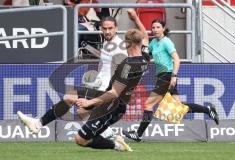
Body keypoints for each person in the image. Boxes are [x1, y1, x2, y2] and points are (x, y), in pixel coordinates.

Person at [17, 8, 149, 151]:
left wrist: (91, 100)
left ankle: (111, 139)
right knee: (71, 99)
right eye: (104, 28)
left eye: (110, 28)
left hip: (110, 97)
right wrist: (135, 18)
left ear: (118, 30)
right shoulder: (142, 55)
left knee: (81, 117)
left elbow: (115, 91)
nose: (107, 31)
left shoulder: (122, 52)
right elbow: (144, 39)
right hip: (106, 92)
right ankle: (37, 124)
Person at [122, 19, 219, 142]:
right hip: (163, 77)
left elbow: (177, 59)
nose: (155, 30)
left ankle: (138, 134)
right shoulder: (154, 43)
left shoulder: (166, 42)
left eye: (158, 27)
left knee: (148, 105)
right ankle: (208, 110)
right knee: (179, 108)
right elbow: (147, 55)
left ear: (163, 29)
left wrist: (174, 76)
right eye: (153, 27)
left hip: (167, 77)